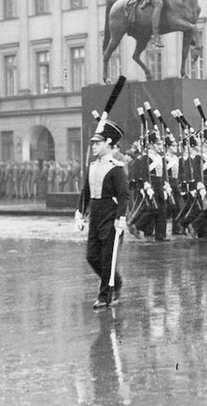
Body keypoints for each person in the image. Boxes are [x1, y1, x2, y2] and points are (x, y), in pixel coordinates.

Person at [76, 120, 129, 310]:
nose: (94, 147)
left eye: (97, 143)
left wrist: (121, 219)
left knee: (108, 258)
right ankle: (115, 281)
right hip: (96, 216)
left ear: (108, 143)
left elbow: (123, 195)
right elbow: (86, 192)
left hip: (111, 216)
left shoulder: (116, 168)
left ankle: (105, 296)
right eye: (93, 143)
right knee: (92, 256)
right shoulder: (92, 166)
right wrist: (80, 213)